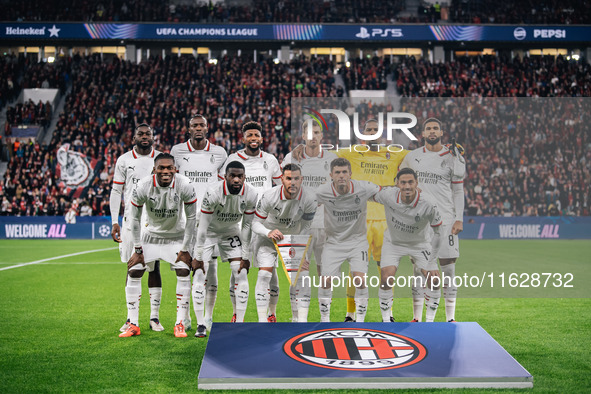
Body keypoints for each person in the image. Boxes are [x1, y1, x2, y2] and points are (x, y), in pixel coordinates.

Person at [291, 118, 408, 322]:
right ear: (363, 134)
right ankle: (350, 314)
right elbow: (320, 151)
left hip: (385, 221)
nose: (372, 133)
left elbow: (419, 155)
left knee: (387, 271)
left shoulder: (395, 153)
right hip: (359, 222)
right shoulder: (349, 152)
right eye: (368, 130)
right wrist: (303, 146)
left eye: (375, 130)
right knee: (355, 274)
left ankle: (388, 314)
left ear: (382, 133)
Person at [120, 153, 197, 338]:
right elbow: (135, 219)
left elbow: (192, 218)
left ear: (175, 169)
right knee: (134, 270)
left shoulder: (185, 184)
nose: (165, 171)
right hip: (150, 235)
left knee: (184, 271)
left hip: (176, 236)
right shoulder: (143, 186)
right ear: (154, 169)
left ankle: (179, 323)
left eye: (169, 167)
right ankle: (133, 323)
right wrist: (138, 249)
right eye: (161, 168)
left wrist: (186, 249)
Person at [400, 118, 465, 322]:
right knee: (419, 269)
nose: (432, 131)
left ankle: (450, 318)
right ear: (423, 133)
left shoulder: (453, 156)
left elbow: (458, 189)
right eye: (428, 128)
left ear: (441, 132)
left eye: (435, 128)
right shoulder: (412, 157)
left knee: (448, 268)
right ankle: (418, 318)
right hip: (420, 222)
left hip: (446, 220)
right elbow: (400, 182)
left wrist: (459, 218)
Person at [170, 115, 227, 329]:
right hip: (184, 220)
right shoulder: (177, 151)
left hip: (211, 220)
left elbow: (223, 186)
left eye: (202, 125)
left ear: (207, 128)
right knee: (183, 268)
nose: (198, 128)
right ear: (188, 128)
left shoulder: (220, 153)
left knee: (209, 270)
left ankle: (208, 316)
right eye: (194, 125)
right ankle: (184, 317)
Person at [221, 121, 282, 322]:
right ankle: (237, 313)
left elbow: (281, 187)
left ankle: (271, 313)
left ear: (262, 138)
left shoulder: (270, 160)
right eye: (249, 135)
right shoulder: (232, 159)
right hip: (241, 221)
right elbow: (224, 186)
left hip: (266, 220)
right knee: (238, 269)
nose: (253, 138)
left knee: (269, 270)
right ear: (243, 138)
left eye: (256, 135)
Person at [191, 161, 258, 334]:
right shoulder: (213, 192)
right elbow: (203, 227)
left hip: (230, 231)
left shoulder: (251, 194)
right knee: (199, 273)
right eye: (232, 176)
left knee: (241, 272)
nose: (236, 180)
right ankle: (201, 324)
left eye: (240, 176)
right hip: (209, 231)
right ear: (225, 177)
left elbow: (247, 226)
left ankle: (240, 323)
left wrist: (246, 255)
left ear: (244, 177)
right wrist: (198, 256)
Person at [110, 123, 164, 332]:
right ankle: (131, 318)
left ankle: (154, 317)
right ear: (134, 138)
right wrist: (114, 220)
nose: (144, 136)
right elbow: (116, 191)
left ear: (153, 137)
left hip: (153, 220)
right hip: (130, 219)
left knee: (154, 266)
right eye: (140, 134)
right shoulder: (124, 160)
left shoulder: (160, 158)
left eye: (148, 134)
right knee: (132, 266)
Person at [281, 120, 337, 322]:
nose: (313, 136)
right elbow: (284, 187)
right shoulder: (291, 158)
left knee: (326, 273)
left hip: (326, 224)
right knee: (298, 271)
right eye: (309, 132)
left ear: (322, 136)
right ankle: (297, 318)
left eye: (317, 132)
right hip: (298, 225)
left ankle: (325, 318)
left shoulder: (333, 159)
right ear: (302, 136)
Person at [315, 157, 381, 322]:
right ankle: (325, 320)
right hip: (333, 243)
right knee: (325, 280)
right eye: (338, 172)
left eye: (345, 172)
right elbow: (306, 204)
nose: (341, 175)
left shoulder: (363, 188)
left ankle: (360, 320)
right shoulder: (322, 191)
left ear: (350, 174)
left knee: (360, 279)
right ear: (331, 175)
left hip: (357, 242)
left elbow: (384, 192)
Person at [373, 168, 443, 322]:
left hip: (420, 243)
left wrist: (432, 262)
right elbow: (369, 193)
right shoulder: (388, 195)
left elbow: (439, 232)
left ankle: (429, 322)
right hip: (393, 242)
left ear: (417, 183)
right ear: (397, 184)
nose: (407, 186)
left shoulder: (428, 203)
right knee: (386, 277)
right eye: (403, 182)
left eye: (410, 182)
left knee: (434, 279)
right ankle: (386, 320)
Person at [251, 164, 317, 322]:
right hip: (268, 238)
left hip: (293, 239)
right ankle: (263, 321)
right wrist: (268, 232)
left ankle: (299, 320)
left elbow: (307, 226)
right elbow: (255, 223)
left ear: (301, 180)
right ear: (282, 179)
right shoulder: (269, 196)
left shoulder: (309, 198)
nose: (292, 182)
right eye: (288, 178)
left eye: (296, 178)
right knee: (265, 273)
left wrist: (301, 250)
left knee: (302, 274)